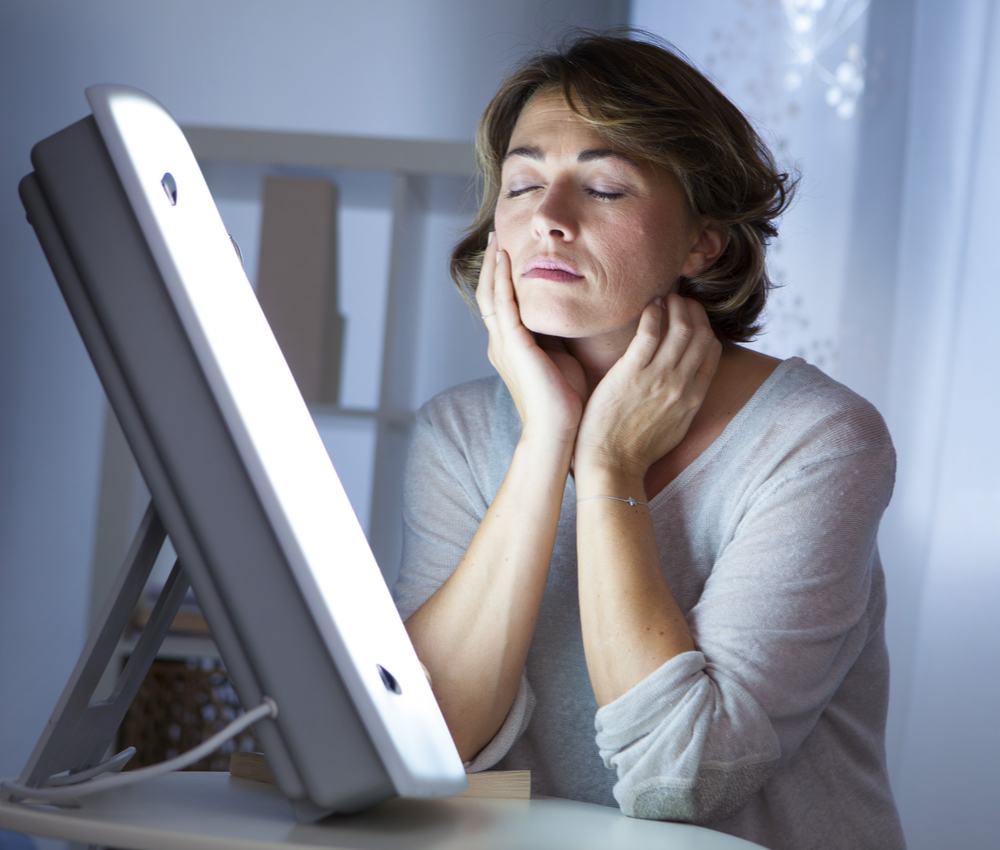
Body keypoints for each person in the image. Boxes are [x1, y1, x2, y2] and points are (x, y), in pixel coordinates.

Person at [393, 32, 906, 850]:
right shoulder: (457, 433)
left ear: (703, 239)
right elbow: (423, 742)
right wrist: (545, 443)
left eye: (602, 187)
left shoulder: (819, 438)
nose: (548, 220)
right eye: (522, 184)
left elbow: (683, 781)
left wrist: (609, 467)